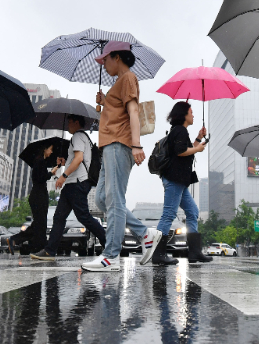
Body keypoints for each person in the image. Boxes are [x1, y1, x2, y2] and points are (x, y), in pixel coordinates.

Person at [81, 41, 158, 272]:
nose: (103, 64)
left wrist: (136, 145)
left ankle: (111, 256)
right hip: (109, 147)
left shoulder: (127, 79)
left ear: (117, 57)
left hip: (119, 144)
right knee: (103, 199)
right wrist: (105, 103)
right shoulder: (119, 83)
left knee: (114, 200)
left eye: (105, 59)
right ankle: (145, 234)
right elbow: (119, 112)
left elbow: (133, 111)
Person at [143, 102, 213, 265]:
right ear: (184, 115)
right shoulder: (179, 131)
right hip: (174, 180)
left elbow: (187, 150)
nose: (193, 115)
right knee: (168, 214)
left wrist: (198, 139)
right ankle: (158, 254)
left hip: (179, 181)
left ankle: (195, 252)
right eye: (191, 112)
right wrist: (197, 149)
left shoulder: (180, 132)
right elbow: (182, 152)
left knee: (193, 211)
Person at [30, 115, 107, 261]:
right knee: (59, 217)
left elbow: (78, 159)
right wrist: (65, 162)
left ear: (76, 122)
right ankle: (49, 251)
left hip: (76, 183)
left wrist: (63, 175)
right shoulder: (83, 138)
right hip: (74, 183)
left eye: (70, 122)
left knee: (83, 217)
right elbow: (76, 159)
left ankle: (109, 244)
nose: (68, 125)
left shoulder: (78, 136)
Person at [6, 142, 63, 255]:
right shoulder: (39, 161)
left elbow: (41, 175)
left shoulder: (41, 161)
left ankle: (36, 247)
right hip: (38, 196)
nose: (51, 152)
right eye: (50, 149)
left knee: (39, 224)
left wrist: (57, 167)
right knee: (39, 224)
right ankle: (19, 240)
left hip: (39, 195)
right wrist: (51, 173)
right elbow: (40, 178)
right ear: (44, 150)